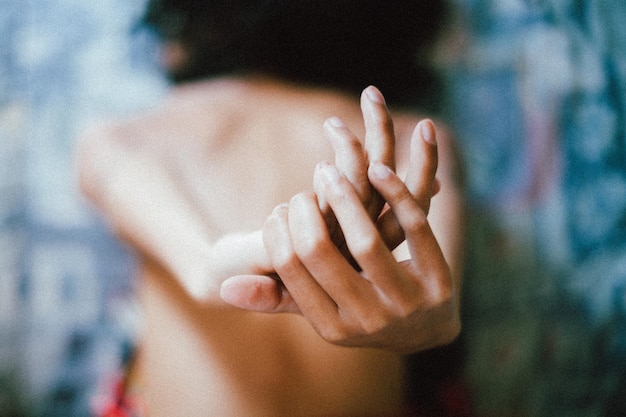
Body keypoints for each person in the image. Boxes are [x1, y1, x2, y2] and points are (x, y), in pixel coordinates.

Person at [76, 1, 464, 416]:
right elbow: (431, 293)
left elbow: (202, 268)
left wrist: (227, 261)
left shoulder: (125, 138)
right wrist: (434, 325)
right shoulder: (411, 137)